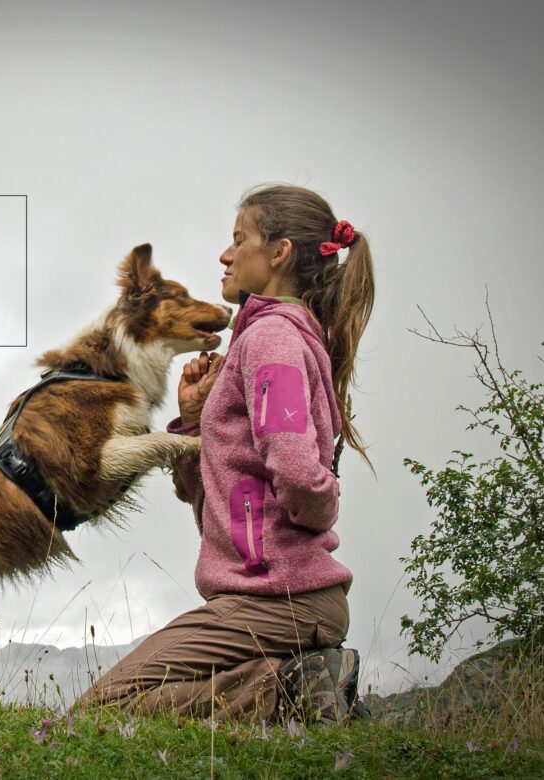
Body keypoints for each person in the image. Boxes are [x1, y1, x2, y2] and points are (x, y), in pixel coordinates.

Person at [79, 184, 375, 725]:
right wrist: (194, 421)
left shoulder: (272, 340)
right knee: (113, 709)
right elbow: (216, 485)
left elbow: (297, 471)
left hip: (278, 598)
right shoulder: (261, 340)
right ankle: (295, 679)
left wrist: (322, 504)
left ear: (279, 253)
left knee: (100, 712)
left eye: (239, 240)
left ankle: (286, 689)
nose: (225, 254)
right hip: (268, 598)